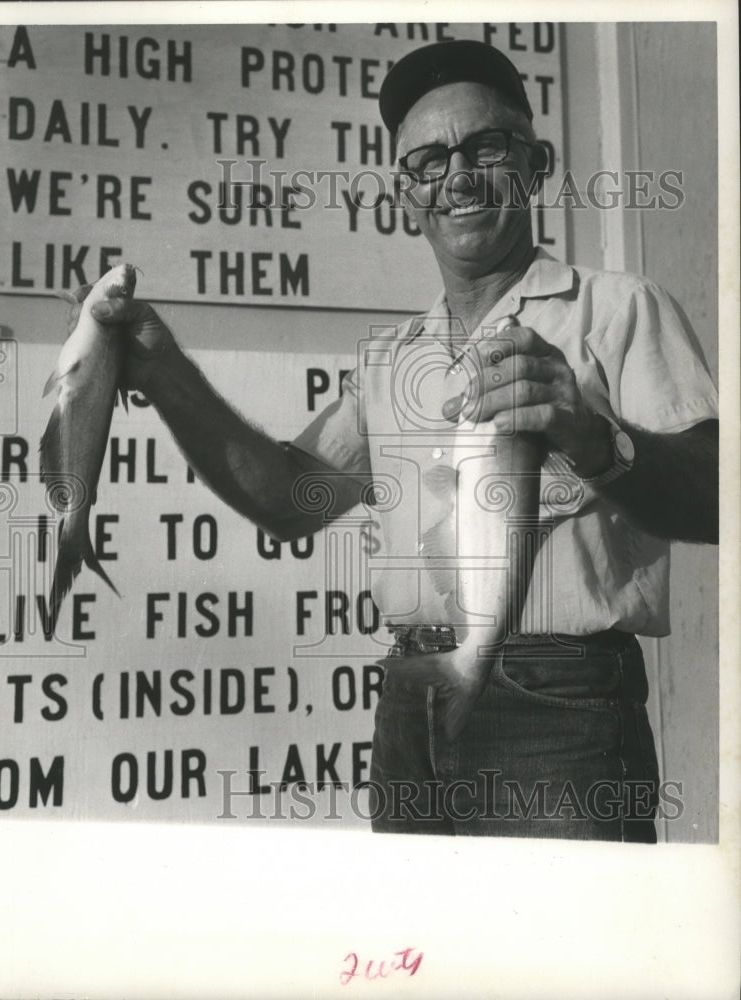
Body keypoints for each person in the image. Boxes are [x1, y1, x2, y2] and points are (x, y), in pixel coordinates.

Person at [86, 40, 718, 841]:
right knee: (426, 956)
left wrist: (596, 439)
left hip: (561, 699)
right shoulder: (393, 355)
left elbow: (715, 494)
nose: (456, 175)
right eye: (427, 159)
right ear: (404, 194)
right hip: (411, 691)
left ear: (536, 164)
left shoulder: (621, 307)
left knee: (563, 960)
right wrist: (162, 369)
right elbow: (289, 499)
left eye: (485, 147)